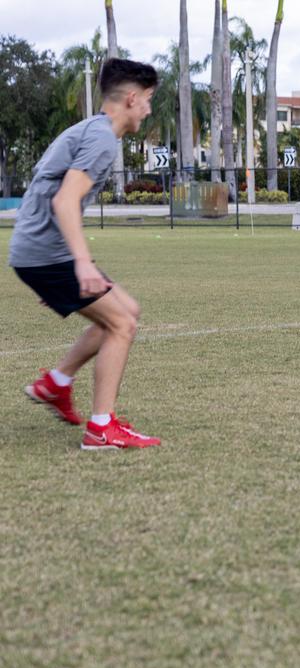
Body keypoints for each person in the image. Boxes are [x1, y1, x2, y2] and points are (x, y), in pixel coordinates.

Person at [10, 58, 161, 450]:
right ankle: (101, 428)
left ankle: (56, 383)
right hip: (46, 252)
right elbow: (64, 200)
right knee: (121, 326)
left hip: (41, 251)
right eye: (147, 100)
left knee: (127, 311)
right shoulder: (102, 138)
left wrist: (56, 267)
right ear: (131, 98)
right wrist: (77, 264)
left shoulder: (91, 130)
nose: (148, 110)